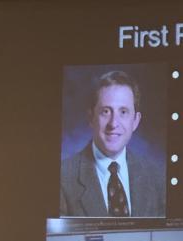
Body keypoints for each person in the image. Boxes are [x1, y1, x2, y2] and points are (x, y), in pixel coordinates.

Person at [60, 70, 165, 218]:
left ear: (135, 121)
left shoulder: (157, 177)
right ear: (91, 117)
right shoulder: (63, 178)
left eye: (123, 112)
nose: (113, 123)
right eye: (106, 111)